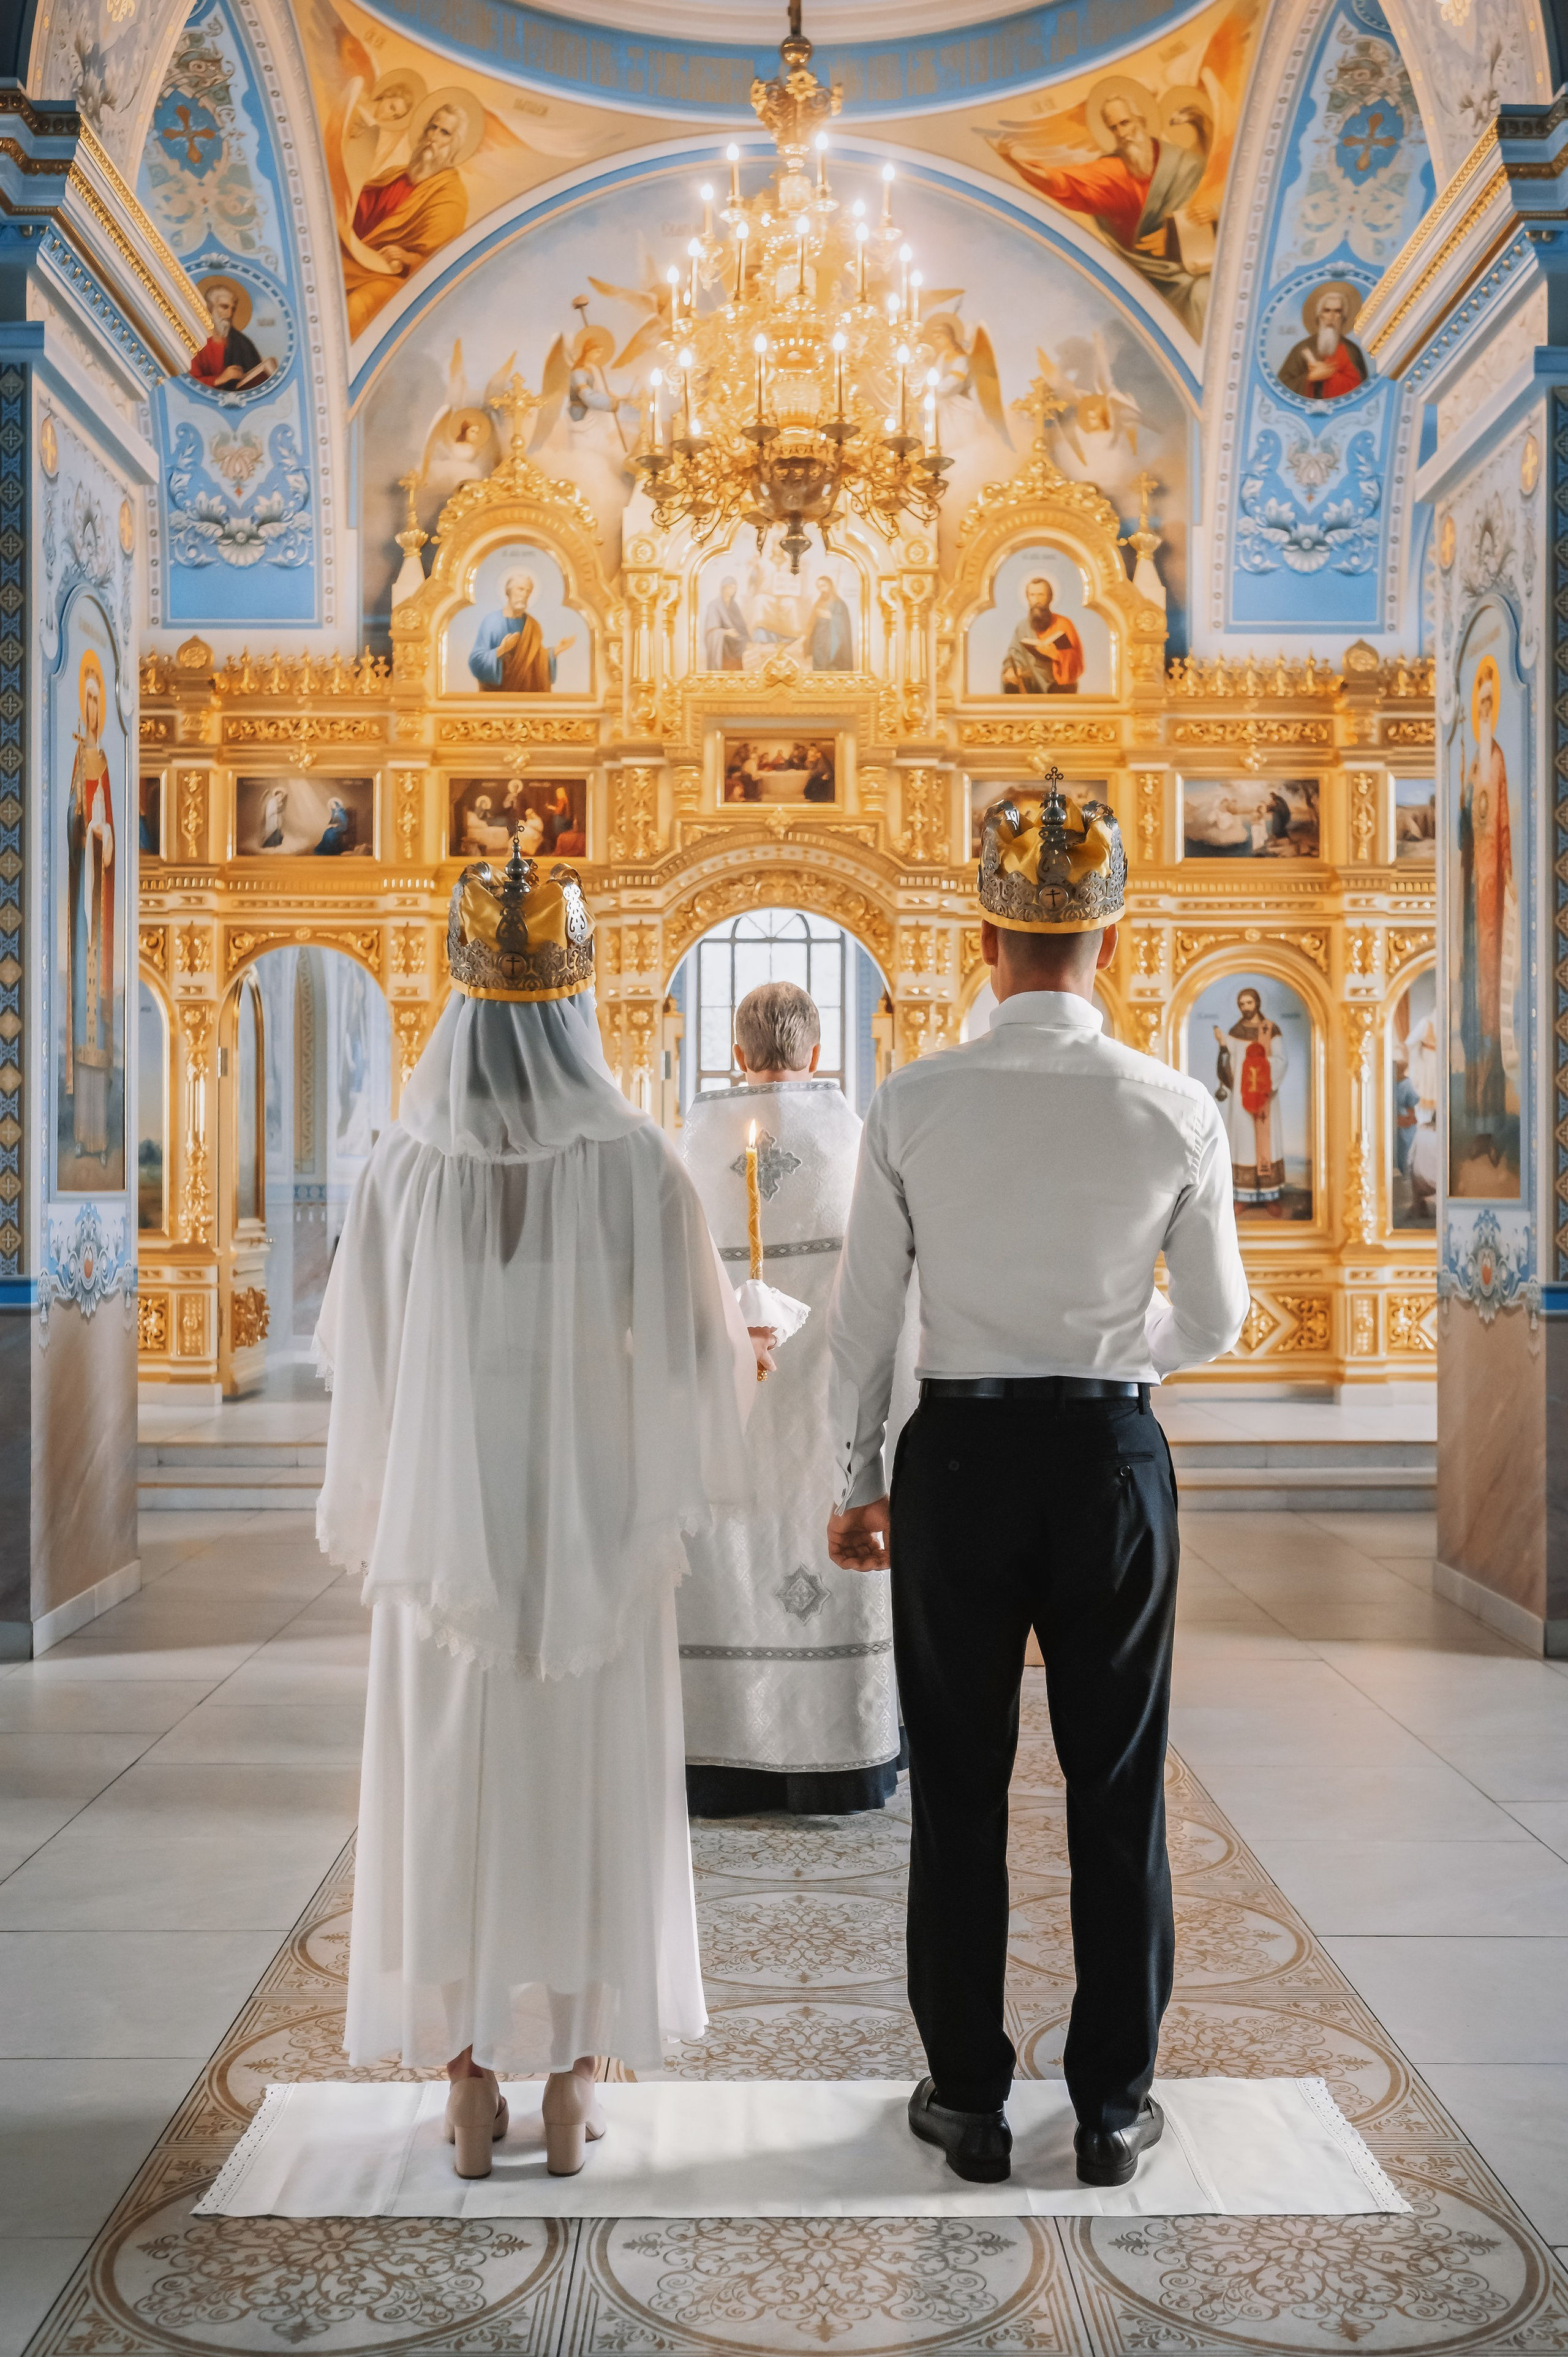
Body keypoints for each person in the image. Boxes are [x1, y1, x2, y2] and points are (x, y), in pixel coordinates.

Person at [316, 840, 769, 2180]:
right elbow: (694, 1355)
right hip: (593, 1525)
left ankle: (465, 2085)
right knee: (584, 1777)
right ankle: (574, 2079)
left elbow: (367, 1366)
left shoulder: (401, 1169)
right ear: (573, 1003)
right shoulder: (635, 1162)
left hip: (446, 1529)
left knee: (451, 1780)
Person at [826, 776, 1248, 2189]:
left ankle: (962, 2094)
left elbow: (862, 1321)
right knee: (1115, 1780)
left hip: (951, 1453)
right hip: (1111, 1458)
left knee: (954, 1780)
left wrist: (853, 1477)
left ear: (979, 944)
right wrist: (1117, 1354)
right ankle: (1115, 2101)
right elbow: (1217, 1316)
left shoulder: (914, 1097)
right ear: (1111, 945)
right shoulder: (1174, 1102)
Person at [679, 982, 902, 1817]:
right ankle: (835, 1761)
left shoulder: (688, 1150)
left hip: (723, 1410)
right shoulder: (854, 1146)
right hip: (828, 1417)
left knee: (729, 1555)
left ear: (738, 1054)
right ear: (817, 1052)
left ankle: (723, 1754)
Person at [341, 96, 472, 338]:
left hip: (395, 279)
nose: (434, 136)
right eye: (432, 127)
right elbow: (356, 214)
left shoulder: (451, 196)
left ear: (455, 145)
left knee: (356, 306)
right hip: (357, 261)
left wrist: (406, 257)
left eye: (445, 133)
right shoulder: (396, 175)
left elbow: (440, 265)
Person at [1213, 986, 1287, 1207]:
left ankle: (1269, 1196)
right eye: (1242, 1004)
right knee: (1243, 1142)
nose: (1246, 1008)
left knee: (1267, 1143)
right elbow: (1230, 1065)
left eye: (1249, 1003)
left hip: (1265, 1098)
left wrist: (1261, 1071)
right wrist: (1223, 1045)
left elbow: (1281, 1060)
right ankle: (1243, 1197)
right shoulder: (1235, 1031)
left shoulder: (1270, 1030)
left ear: (1257, 1003)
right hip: (1241, 1100)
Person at [468, 571, 575, 693]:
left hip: (527, 696)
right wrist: (501, 650)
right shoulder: (491, 622)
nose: (525, 594)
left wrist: (556, 650)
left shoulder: (533, 625)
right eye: (521, 589)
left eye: (528, 591)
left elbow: (536, 659)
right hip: (497, 697)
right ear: (508, 591)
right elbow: (476, 661)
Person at [1278, 288, 1368, 402]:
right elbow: (1283, 385)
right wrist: (1309, 378)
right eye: (1327, 310)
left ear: (1343, 317)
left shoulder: (1352, 350)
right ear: (1320, 315)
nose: (1332, 316)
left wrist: (1332, 375)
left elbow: (1364, 390)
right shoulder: (1302, 349)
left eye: (1338, 311)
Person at [1000, 576, 1085, 694]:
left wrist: (1055, 654)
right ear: (1028, 598)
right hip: (1030, 683)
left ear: (1050, 598)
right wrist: (1010, 670)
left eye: (1041, 595)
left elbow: (1077, 663)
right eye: (1032, 595)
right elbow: (1013, 655)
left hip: (1058, 685)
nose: (1037, 600)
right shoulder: (1022, 627)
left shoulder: (1064, 624)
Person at [190, 281, 276, 392]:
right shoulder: (194, 340)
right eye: (224, 307)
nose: (230, 314)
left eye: (233, 309)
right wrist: (219, 379)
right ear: (210, 308)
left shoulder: (243, 344)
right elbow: (186, 382)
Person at [703, 576, 751, 671]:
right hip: (723, 645)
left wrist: (747, 638)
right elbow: (711, 631)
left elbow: (741, 626)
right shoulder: (714, 605)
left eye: (734, 588)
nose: (732, 591)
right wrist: (726, 633)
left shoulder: (734, 605)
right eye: (729, 587)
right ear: (723, 588)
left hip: (736, 643)